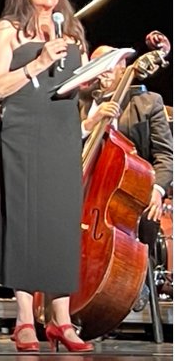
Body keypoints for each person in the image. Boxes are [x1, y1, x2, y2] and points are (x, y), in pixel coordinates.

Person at [0, 0, 92, 352]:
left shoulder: (72, 29)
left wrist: (94, 77)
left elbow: (72, 87)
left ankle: (61, 320)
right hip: (24, 132)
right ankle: (26, 319)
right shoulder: (7, 31)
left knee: (61, 220)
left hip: (62, 130)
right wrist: (39, 62)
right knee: (27, 218)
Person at [79, 35, 173, 311]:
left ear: (124, 67)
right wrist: (88, 124)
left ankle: (135, 281)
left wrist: (156, 190)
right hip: (86, 192)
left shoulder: (148, 102)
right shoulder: (79, 104)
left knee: (143, 216)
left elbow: (165, 156)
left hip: (135, 191)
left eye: (111, 64)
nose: (106, 70)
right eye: (99, 64)